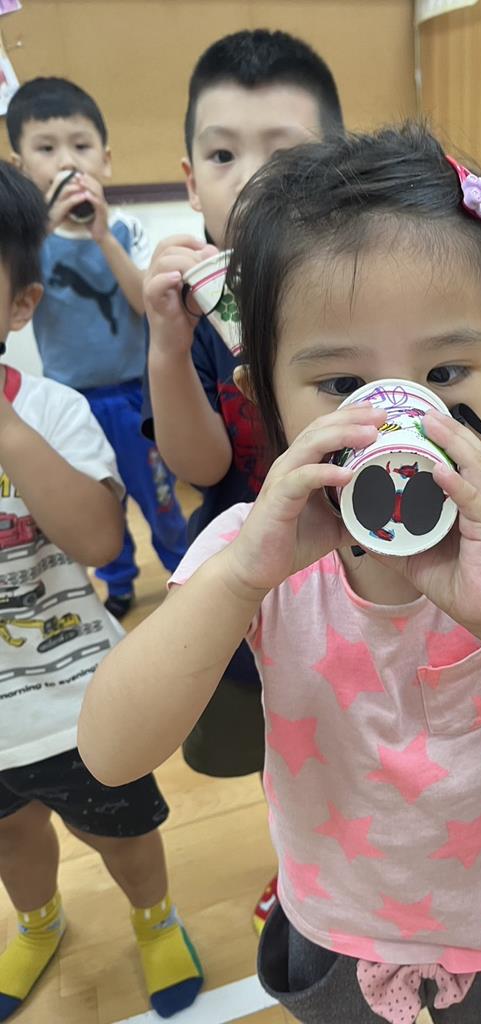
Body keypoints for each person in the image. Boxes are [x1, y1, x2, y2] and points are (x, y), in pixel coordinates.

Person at [79, 125, 481, 1024]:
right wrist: (237, 582)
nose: (400, 423)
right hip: (337, 921)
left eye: (446, 372)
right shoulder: (253, 546)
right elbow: (110, 752)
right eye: (340, 385)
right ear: (263, 398)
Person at [143, 29, 343, 929]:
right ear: (191, 180)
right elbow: (202, 467)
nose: (250, 178)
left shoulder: (355, 283)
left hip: (356, 565)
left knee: (352, 724)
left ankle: (355, 857)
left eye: (283, 153)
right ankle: (298, 863)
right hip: (250, 573)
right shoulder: (188, 302)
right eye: (223, 155)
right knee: (278, 737)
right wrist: (165, 344)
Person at [0, 160, 202, 1021]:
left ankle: (155, 919)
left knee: (121, 831)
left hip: (73, 698)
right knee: (12, 839)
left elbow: (98, 541)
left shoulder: (51, 412)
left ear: (20, 305)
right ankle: (39, 921)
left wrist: (5, 425)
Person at [6, 77, 187, 620]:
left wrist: (104, 236)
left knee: (159, 497)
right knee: (101, 496)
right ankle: (119, 579)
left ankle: (183, 572)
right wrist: (43, 230)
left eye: (81, 146)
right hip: (71, 405)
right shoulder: (27, 247)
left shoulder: (125, 229)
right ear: (20, 167)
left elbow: (143, 303)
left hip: (135, 397)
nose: (67, 162)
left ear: (105, 161)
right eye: (46, 149)